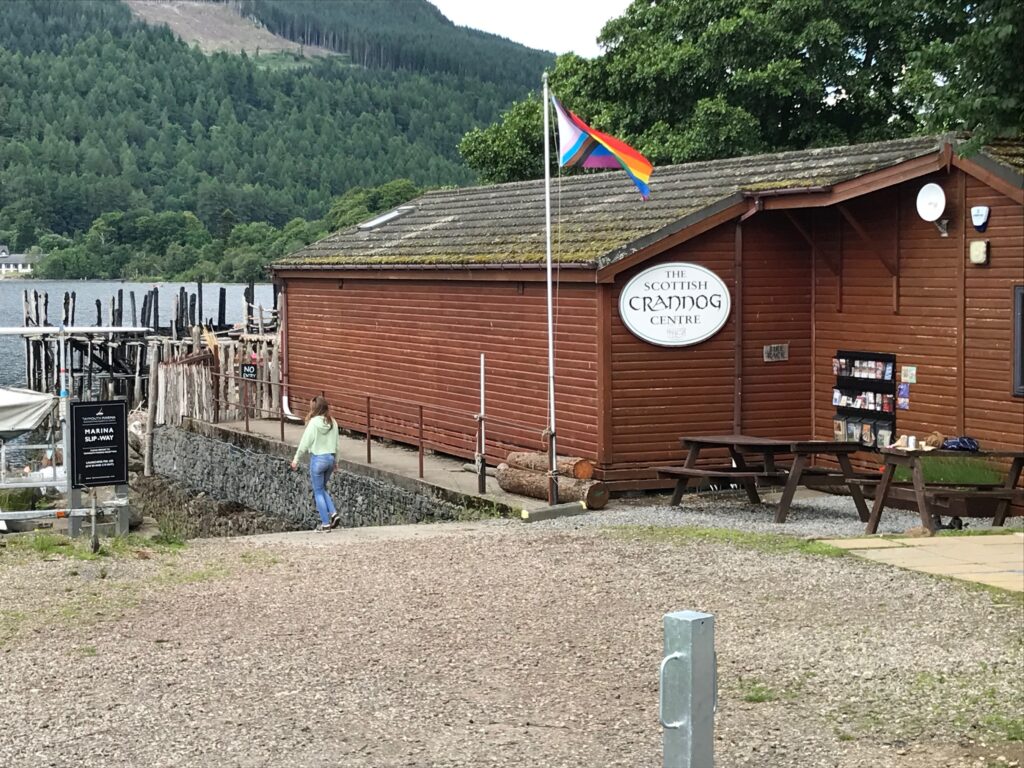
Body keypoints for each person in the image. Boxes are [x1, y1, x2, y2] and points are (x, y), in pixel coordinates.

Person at [290, 395, 340, 531]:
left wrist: (296, 459)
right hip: (330, 459)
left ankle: (325, 523)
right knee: (322, 489)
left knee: (318, 492)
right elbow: (336, 445)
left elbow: (304, 443)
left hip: (318, 459)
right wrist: (336, 461)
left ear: (315, 409)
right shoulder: (333, 422)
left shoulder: (313, 423)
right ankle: (334, 513)